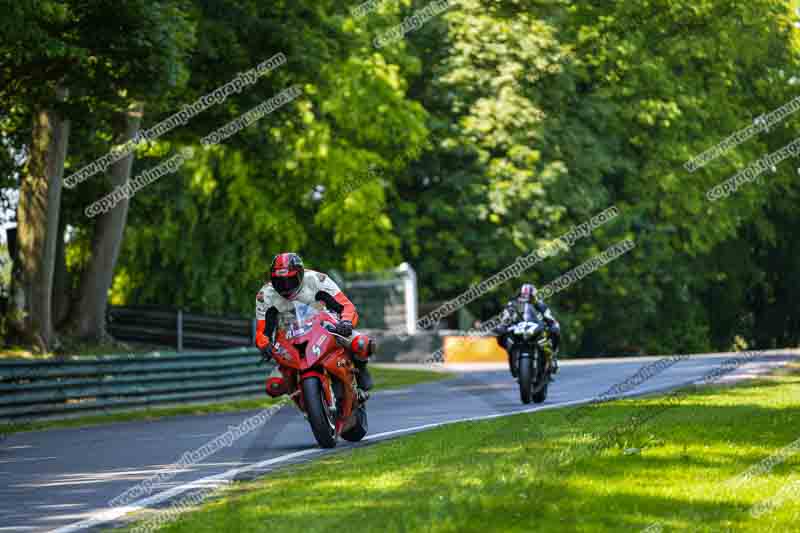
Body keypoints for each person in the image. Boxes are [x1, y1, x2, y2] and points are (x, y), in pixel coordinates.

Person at [255, 252, 373, 392]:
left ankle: (361, 369)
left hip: (325, 326)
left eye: (290, 280)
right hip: (289, 336)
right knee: (273, 386)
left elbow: (346, 305)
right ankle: (301, 396)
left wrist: (346, 322)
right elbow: (262, 330)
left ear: (300, 274)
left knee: (361, 343)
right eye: (279, 282)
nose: (285, 286)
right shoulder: (265, 295)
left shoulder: (317, 280)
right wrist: (264, 344)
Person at [495, 283, 561, 376]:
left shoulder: (540, 304)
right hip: (518, 329)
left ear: (534, 296)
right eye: (523, 296)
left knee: (555, 331)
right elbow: (505, 317)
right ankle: (513, 359)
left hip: (536, 328)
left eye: (529, 296)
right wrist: (501, 326)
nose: (526, 298)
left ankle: (552, 357)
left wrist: (553, 325)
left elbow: (549, 317)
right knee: (501, 334)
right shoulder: (512, 304)